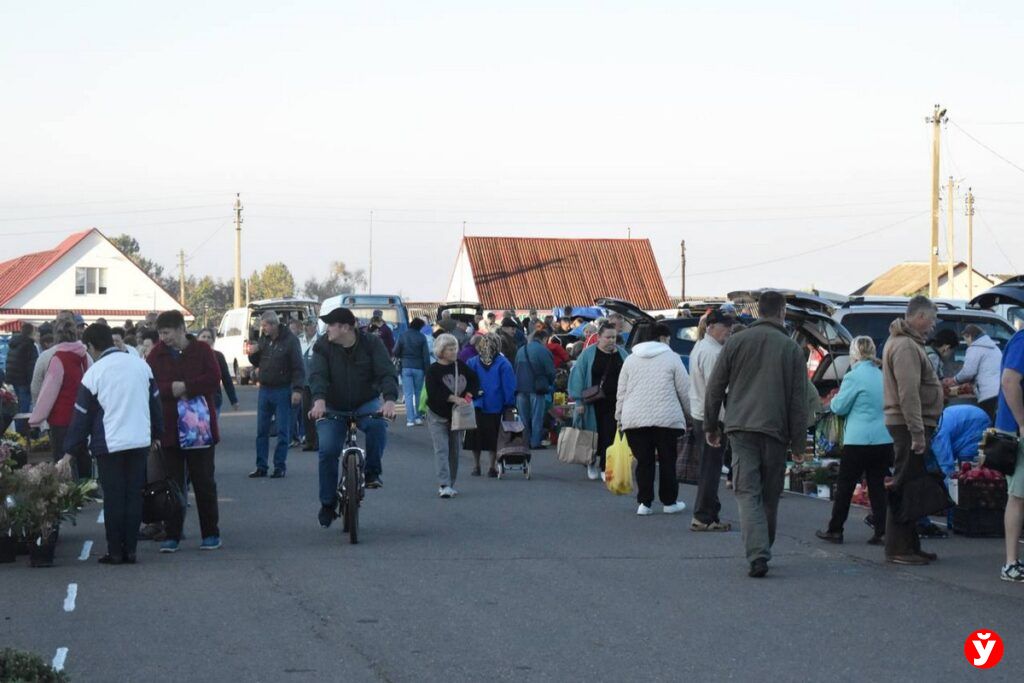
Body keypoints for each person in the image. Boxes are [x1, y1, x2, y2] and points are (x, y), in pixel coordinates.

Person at [705, 291, 808, 578]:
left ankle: (757, 552)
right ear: (782, 312)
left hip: (740, 427)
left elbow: (715, 388)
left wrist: (711, 426)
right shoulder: (791, 349)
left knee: (747, 491)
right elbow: (798, 401)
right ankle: (763, 548)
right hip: (776, 430)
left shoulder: (736, 341)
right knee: (769, 494)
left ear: (759, 311)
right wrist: (799, 443)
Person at [63, 324, 162, 565]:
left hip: (109, 445)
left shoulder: (95, 373)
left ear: (91, 346)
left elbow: (81, 415)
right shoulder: (141, 365)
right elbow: (155, 404)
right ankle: (131, 550)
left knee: (114, 498)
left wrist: (69, 450)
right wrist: (157, 435)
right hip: (139, 441)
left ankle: (115, 551)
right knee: (133, 496)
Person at [309, 307, 397, 526]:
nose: (327, 329)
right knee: (328, 450)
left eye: (331, 325)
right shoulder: (323, 346)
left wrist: (389, 401)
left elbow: (386, 372)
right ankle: (328, 504)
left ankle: (372, 473)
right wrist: (319, 400)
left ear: (346, 327)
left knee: (378, 426)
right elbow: (317, 375)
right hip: (332, 405)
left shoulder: (372, 344)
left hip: (365, 402)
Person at [148, 310, 223, 553]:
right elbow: (150, 385)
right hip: (169, 429)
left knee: (204, 482)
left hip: (199, 431)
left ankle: (211, 533)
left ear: (181, 329)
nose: (164, 338)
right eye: (160, 333)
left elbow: (214, 379)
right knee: (173, 484)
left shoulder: (202, 350)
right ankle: (172, 534)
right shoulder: (156, 354)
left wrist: (188, 387)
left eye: (167, 333)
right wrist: (171, 388)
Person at [881, 296, 944, 566]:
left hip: (909, 424)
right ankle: (897, 547)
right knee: (904, 485)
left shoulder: (908, 343)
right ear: (919, 317)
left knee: (911, 484)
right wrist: (917, 433)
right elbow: (908, 394)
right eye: (931, 320)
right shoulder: (906, 346)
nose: (933, 326)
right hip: (908, 426)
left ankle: (910, 544)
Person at [815, 336, 893, 546]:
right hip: (883, 439)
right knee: (877, 486)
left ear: (854, 354)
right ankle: (882, 531)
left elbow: (839, 407)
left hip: (858, 440)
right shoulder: (882, 375)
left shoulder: (853, 377)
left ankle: (835, 529)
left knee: (845, 486)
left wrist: (835, 399)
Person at [616, 323, 690, 515]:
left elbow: (621, 392)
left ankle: (644, 503)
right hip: (666, 418)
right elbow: (685, 390)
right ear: (662, 338)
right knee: (667, 461)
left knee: (644, 461)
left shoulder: (631, 359)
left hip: (634, 418)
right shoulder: (672, 358)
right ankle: (669, 502)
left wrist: (619, 416)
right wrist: (691, 415)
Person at [688, 309, 735, 532]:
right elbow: (715, 391)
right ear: (710, 327)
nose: (728, 330)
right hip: (711, 415)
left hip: (701, 413)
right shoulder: (712, 353)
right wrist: (714, 424)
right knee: (710, 469)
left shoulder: (701, 346)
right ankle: (703, 516)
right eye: (724, 326)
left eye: (729, 326)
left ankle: (710, 514)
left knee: (710, 467)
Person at [28, 319, 92, 476]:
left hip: (61, 419)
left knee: (63, 461)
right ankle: (87, 490)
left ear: (56, 336)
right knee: (82, 455)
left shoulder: (58, 359)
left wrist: (35, 419)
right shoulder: (84, 356)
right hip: (82, 416)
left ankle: (68, 496)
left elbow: (48, 392)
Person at [247, 311, 305, 478]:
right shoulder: (264, 340)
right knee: (262, 431)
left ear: (273, 324)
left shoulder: (290, 341)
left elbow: (298, 367)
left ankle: (280, 465)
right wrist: (254, 352)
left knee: (282, 430)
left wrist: (297, 390)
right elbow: (257, 361)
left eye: (264, 326)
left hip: (282, 390)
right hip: (265, 389)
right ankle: (261, 466)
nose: (262, 329)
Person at [568, 323, 627, 480]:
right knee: (592, 434)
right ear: (599, 337)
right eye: (608, 337)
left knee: (609, 433)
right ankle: (591, 462)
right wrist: (579, 401)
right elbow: (577, 377)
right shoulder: (588, 354)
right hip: (591, 402)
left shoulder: (622, 354)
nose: (611, 340)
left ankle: (605, 466)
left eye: (614, 337)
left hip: (614, 402)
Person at [425, 334, 479, 498]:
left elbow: (474, 380)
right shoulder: (433, 370)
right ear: (441, 351)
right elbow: (433, 392)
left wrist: (468, 396)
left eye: (455, 348)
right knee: (441, 449)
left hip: (457, 416)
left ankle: (451, 482)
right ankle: (444, 484)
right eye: (450, 349)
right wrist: (453, 398)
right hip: (437, 415)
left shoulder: (460, 366)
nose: (454, 351)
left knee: (454, 451)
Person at [995, 327, 1024, 582]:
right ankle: (1011, 563)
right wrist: (1022, 422)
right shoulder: (1023, 341)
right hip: (1018, 433)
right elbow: (1009, 380)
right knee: (1018, 495)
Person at [465, 334, 516, 477]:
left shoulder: (472, 362)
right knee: (493, 438)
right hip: (495, 405)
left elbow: (467, 383)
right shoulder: (503, 363)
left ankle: (476, 466)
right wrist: (509, 403)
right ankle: (492, 467)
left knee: (475, 438)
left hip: (476, 404)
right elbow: (509, 386)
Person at [949, 324, 1003, 420]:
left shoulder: (975, 348)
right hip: (1000, 392)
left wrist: (954, 380)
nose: (966, 343)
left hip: (988, 395)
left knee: (989, 425)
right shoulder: (994, 347)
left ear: (969, 336)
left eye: (965, 339)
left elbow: (968, 372)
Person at [514, 328, 556, 449]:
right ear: (543, 339)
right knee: (537, 417)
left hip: (520, 388)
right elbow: (550, 372)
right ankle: (535, 442)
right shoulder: (544, 351)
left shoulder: (521, 349)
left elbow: (515, 366)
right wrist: (549, 383)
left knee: (523, 417)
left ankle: (524, 442)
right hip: (537, 389)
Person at [930, 403, 991, 475]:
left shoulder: (938, 435)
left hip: (975, 422)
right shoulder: (936, 425)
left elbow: (945, 465)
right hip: (969, 418)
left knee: (966, 461)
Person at [395, 318, 432, 427]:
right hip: (419, 368)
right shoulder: (421, 337)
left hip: (406, 367)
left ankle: (410, 419)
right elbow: (426, 355)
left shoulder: (403, 336)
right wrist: (427, 370)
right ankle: (418, 417)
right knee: (418, 393)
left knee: (408, 394)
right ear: (420, 327)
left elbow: (395, 351)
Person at [196, 328, 239, 417]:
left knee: (211, 428)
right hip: (196, 400)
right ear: (198, 339)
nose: (206, 339)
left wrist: (233, 400)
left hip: (214, 400)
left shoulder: (218, 356)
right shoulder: (192, 356)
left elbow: (226, 379)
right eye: (203, 337)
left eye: (209, 337)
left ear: (213, 341)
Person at [7, 323, 39, 436]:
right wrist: (33, 383)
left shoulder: (14, 343)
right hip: (24, 381)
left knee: (20, 406)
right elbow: (32, 367)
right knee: (24, 409)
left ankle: (18, 433)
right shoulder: (29, 345)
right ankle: (23, 433)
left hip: (14, 379)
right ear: (31, 333)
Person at [298, 319, 320, 450]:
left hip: (317, 383)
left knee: (317, 412)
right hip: (304, 383)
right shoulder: (299, 340)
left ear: (315, 326)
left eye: (310, 325)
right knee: (306, 412)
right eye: (306, 325)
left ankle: (318, 441)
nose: (308, 328)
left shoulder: (322, 340)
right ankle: (309, 441)